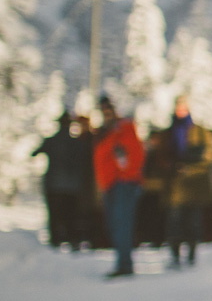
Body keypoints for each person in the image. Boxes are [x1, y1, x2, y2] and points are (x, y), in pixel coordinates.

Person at [92, 97, 145, 278]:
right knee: (115, 225)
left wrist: (122, 176)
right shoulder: (108, 133)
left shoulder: (124, 130)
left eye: (109, 110)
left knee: (122, 224)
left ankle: (125, 265)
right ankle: (123, 262)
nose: (106, 114)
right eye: (103, 111)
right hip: (111, 185)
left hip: (123, 184)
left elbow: (134, 158)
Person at [163, 96, 212, 267]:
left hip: (193, 186)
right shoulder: (170, 131)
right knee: (174, 222)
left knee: (192, 221)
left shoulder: (199, 131)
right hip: (176, 186)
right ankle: (175, 255)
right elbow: (163, 156)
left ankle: (191, 255)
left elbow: (207, 158)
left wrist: (190, 167)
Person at [33, 112, 92, 249]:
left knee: (55, 214)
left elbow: (34, 153)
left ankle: (55, 241)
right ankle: (73, 240)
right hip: (73, 186)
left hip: (53, 186)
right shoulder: (77, 143)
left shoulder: (51, 140)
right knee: (71, 214)